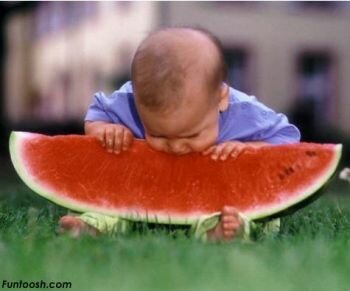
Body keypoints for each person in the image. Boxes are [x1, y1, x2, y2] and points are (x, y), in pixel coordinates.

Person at [59, 27, 300, 242]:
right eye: (159, 136)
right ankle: (92, 225)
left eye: (191, 136)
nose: (175, 148)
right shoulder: (129, 100)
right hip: (145, 191)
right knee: (109, 202)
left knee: (250, 211)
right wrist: (104, 129)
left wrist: (252, 148)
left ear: (221, 99)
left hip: (219, 196)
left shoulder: (246, 113)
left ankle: (225, 230)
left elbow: (288, 139)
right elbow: (96, 113)